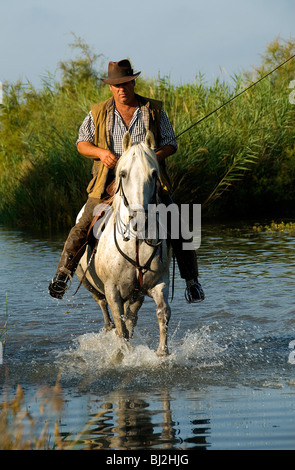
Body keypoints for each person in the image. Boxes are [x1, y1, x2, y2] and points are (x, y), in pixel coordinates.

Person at [49, 59, 204, 303]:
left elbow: (171, 142)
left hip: (148, 181)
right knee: (83, 224)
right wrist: (101, 153)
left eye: (126, 84)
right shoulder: (98, 112)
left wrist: (151, 157)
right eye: (116, 85)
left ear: (133, 82)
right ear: (110, 87)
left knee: (181, 220)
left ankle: (192, 282)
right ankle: (62, 275)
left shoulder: (153, 109)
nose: (122, 89)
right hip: (106, 182)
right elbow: (81, 143)